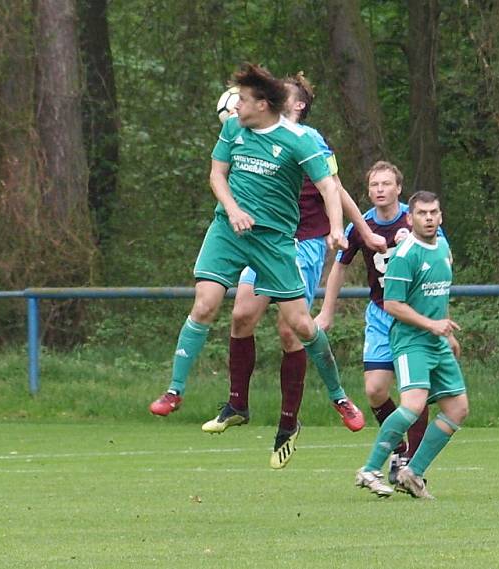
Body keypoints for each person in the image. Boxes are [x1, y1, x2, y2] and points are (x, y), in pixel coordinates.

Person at [148, 63, 358, 448]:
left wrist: (334, 229)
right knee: (206, 304)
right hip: (228, 231)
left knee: (300, 325)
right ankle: (175, 391)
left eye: (242, 100)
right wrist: (233, 209)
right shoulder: (233, 129)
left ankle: (339, 396)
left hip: (275, 241)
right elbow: (216, 175)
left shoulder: (300, 140)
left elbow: (330, 187)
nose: (234, 107)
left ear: (263, 104)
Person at [198, 73, 387, 469]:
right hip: (261, 239)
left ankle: (289, 424)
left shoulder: (309, 140)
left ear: (297, 105)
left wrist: (363, 231)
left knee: (290, 329)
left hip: (302, 242)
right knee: (242, 314)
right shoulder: (253, 133)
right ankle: (236, 404)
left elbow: (334, 188)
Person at [316, 161, 433, 484]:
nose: (379, 190)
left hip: (414, 315)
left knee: (415, 391)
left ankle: (413, 465)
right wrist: (327, 311)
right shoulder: (361, 225)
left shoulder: (417, 219)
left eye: (386, 184)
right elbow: (340, 267)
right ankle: (398, 448)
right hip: (381, 316)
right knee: (375, 390)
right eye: (374, 185)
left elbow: (439, 260)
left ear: (398, 188)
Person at [354, 191, 468, 499]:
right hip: (410, 341)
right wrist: (432, 326)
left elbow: (439, 296)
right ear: (410, 218)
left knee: (457, 409)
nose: (428, 218)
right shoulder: (406, 255)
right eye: (422, 213)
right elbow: (392, 304)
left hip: (436, 341)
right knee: (413, 406)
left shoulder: (443, 248)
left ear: (441, 217)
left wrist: (447, 332)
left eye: (433, 213)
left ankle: (413, 473)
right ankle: (370, 469)